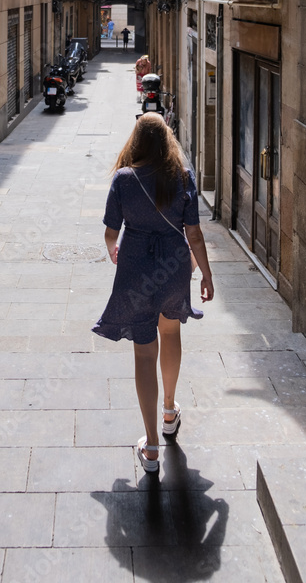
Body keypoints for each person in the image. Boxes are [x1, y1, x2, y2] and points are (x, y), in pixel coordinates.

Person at [92, 113, 214, 475]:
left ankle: (152, 447)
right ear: (166, 142)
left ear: (137, 142)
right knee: (171, 331)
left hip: (136, 271)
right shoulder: (183, 176)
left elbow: (111, 232)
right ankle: (170, 411)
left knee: (144, 353)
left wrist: (114, 248)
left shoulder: (124, 180)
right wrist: (206, 273)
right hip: (174, 267)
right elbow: (194, 233)